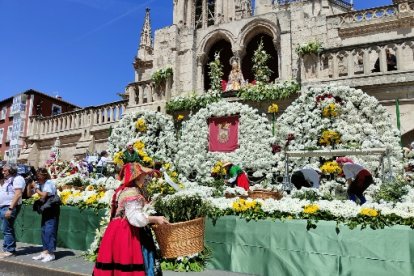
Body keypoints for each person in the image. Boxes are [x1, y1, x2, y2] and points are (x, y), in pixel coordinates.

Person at [93, 162, 169, 276]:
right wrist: (155, 219)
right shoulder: (131, 192)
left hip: (116, 230)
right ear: (137, 177)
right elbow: (134, 218)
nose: (146, 177)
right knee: (128, 263)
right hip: (127, 232)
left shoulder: (122, 189)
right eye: (143, 175)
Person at [26, 168, 60, 263]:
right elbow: (29, 194)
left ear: (44, 175)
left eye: (39, 175)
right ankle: (45, 252)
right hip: (46, 208)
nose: (37, 177)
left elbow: (43, 195)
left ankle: (51, 254)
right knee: (44, 230)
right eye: (37, 175)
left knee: (50, 230)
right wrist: (29, 185)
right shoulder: (40, 183)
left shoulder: (49, 182)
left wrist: (36, 188)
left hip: (52, 208)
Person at [0, 165, 26, 258]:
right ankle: (6, 248)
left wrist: (10, 209)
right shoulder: (9, 179)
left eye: (5, 170)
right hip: (4, 206)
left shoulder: (18, 179)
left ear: (11, 170)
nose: (3, 172)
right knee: (5, 228)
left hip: (9, 207)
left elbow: (18, 194)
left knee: (7, 228)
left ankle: (10, 250)